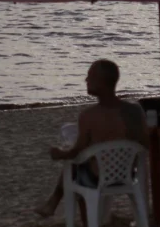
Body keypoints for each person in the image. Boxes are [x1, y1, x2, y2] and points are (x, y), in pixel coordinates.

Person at [35, 59, 150, 218]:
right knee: (83, 161)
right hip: (128, 175)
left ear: (101, 81)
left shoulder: (89, 116)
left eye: (90, 76)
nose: (86, 80)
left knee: (74, 167)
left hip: (98, 178)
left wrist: (59, 153)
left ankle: (83, 222)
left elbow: (76, 153)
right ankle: (53, 202)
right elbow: (145, 143)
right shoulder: (135, 111)